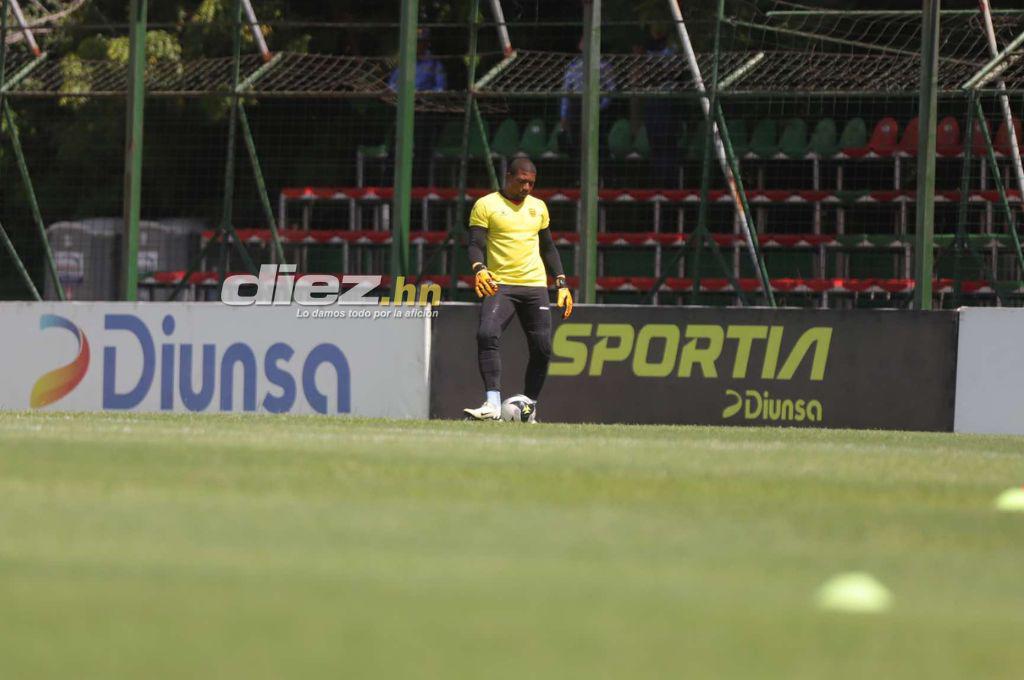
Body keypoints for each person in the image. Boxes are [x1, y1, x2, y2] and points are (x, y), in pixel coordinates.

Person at [463, 158, 573, 421]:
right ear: (508, 176)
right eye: (522, 181)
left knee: (543, 348)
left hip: (535, 286)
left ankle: (529, 408)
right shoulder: (486, 205)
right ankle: (491, 404)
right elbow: (475, 243)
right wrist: (479, 268)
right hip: (501, 285)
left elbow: (548, 247)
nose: (526, 187)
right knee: (487, 334)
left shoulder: (538, 207)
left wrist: (561, 283)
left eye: (531, 183)